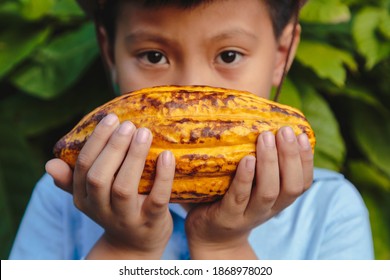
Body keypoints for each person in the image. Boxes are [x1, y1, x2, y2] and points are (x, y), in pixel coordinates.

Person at [9, 0, 374, 260]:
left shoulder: (329, 211)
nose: (191, 89)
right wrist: (126, 250)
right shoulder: (63, 199)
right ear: (109, 53)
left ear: (281, 54)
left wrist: (223, 248)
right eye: (154, 56)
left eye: (228, 55)